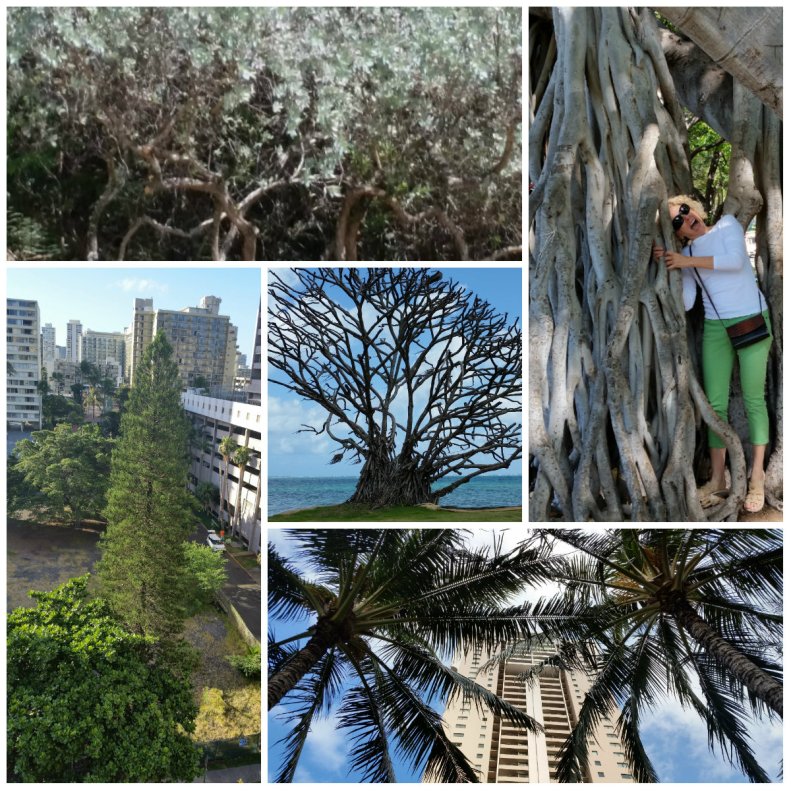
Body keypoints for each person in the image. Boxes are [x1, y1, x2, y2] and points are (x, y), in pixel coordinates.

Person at [652, 195, 772, 513]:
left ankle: (757, 477)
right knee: (713, 403)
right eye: (677, 221)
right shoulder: (688, 253)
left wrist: (684, 262)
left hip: (751, 320)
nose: (686, 219)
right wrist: (667, 269)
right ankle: (719, 479)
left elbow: (735, 261)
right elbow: (689, 301)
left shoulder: (728, 226)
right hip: (717, 329)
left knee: (753, 399)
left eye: (685, 211)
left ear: (695, 209)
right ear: (678, 233)